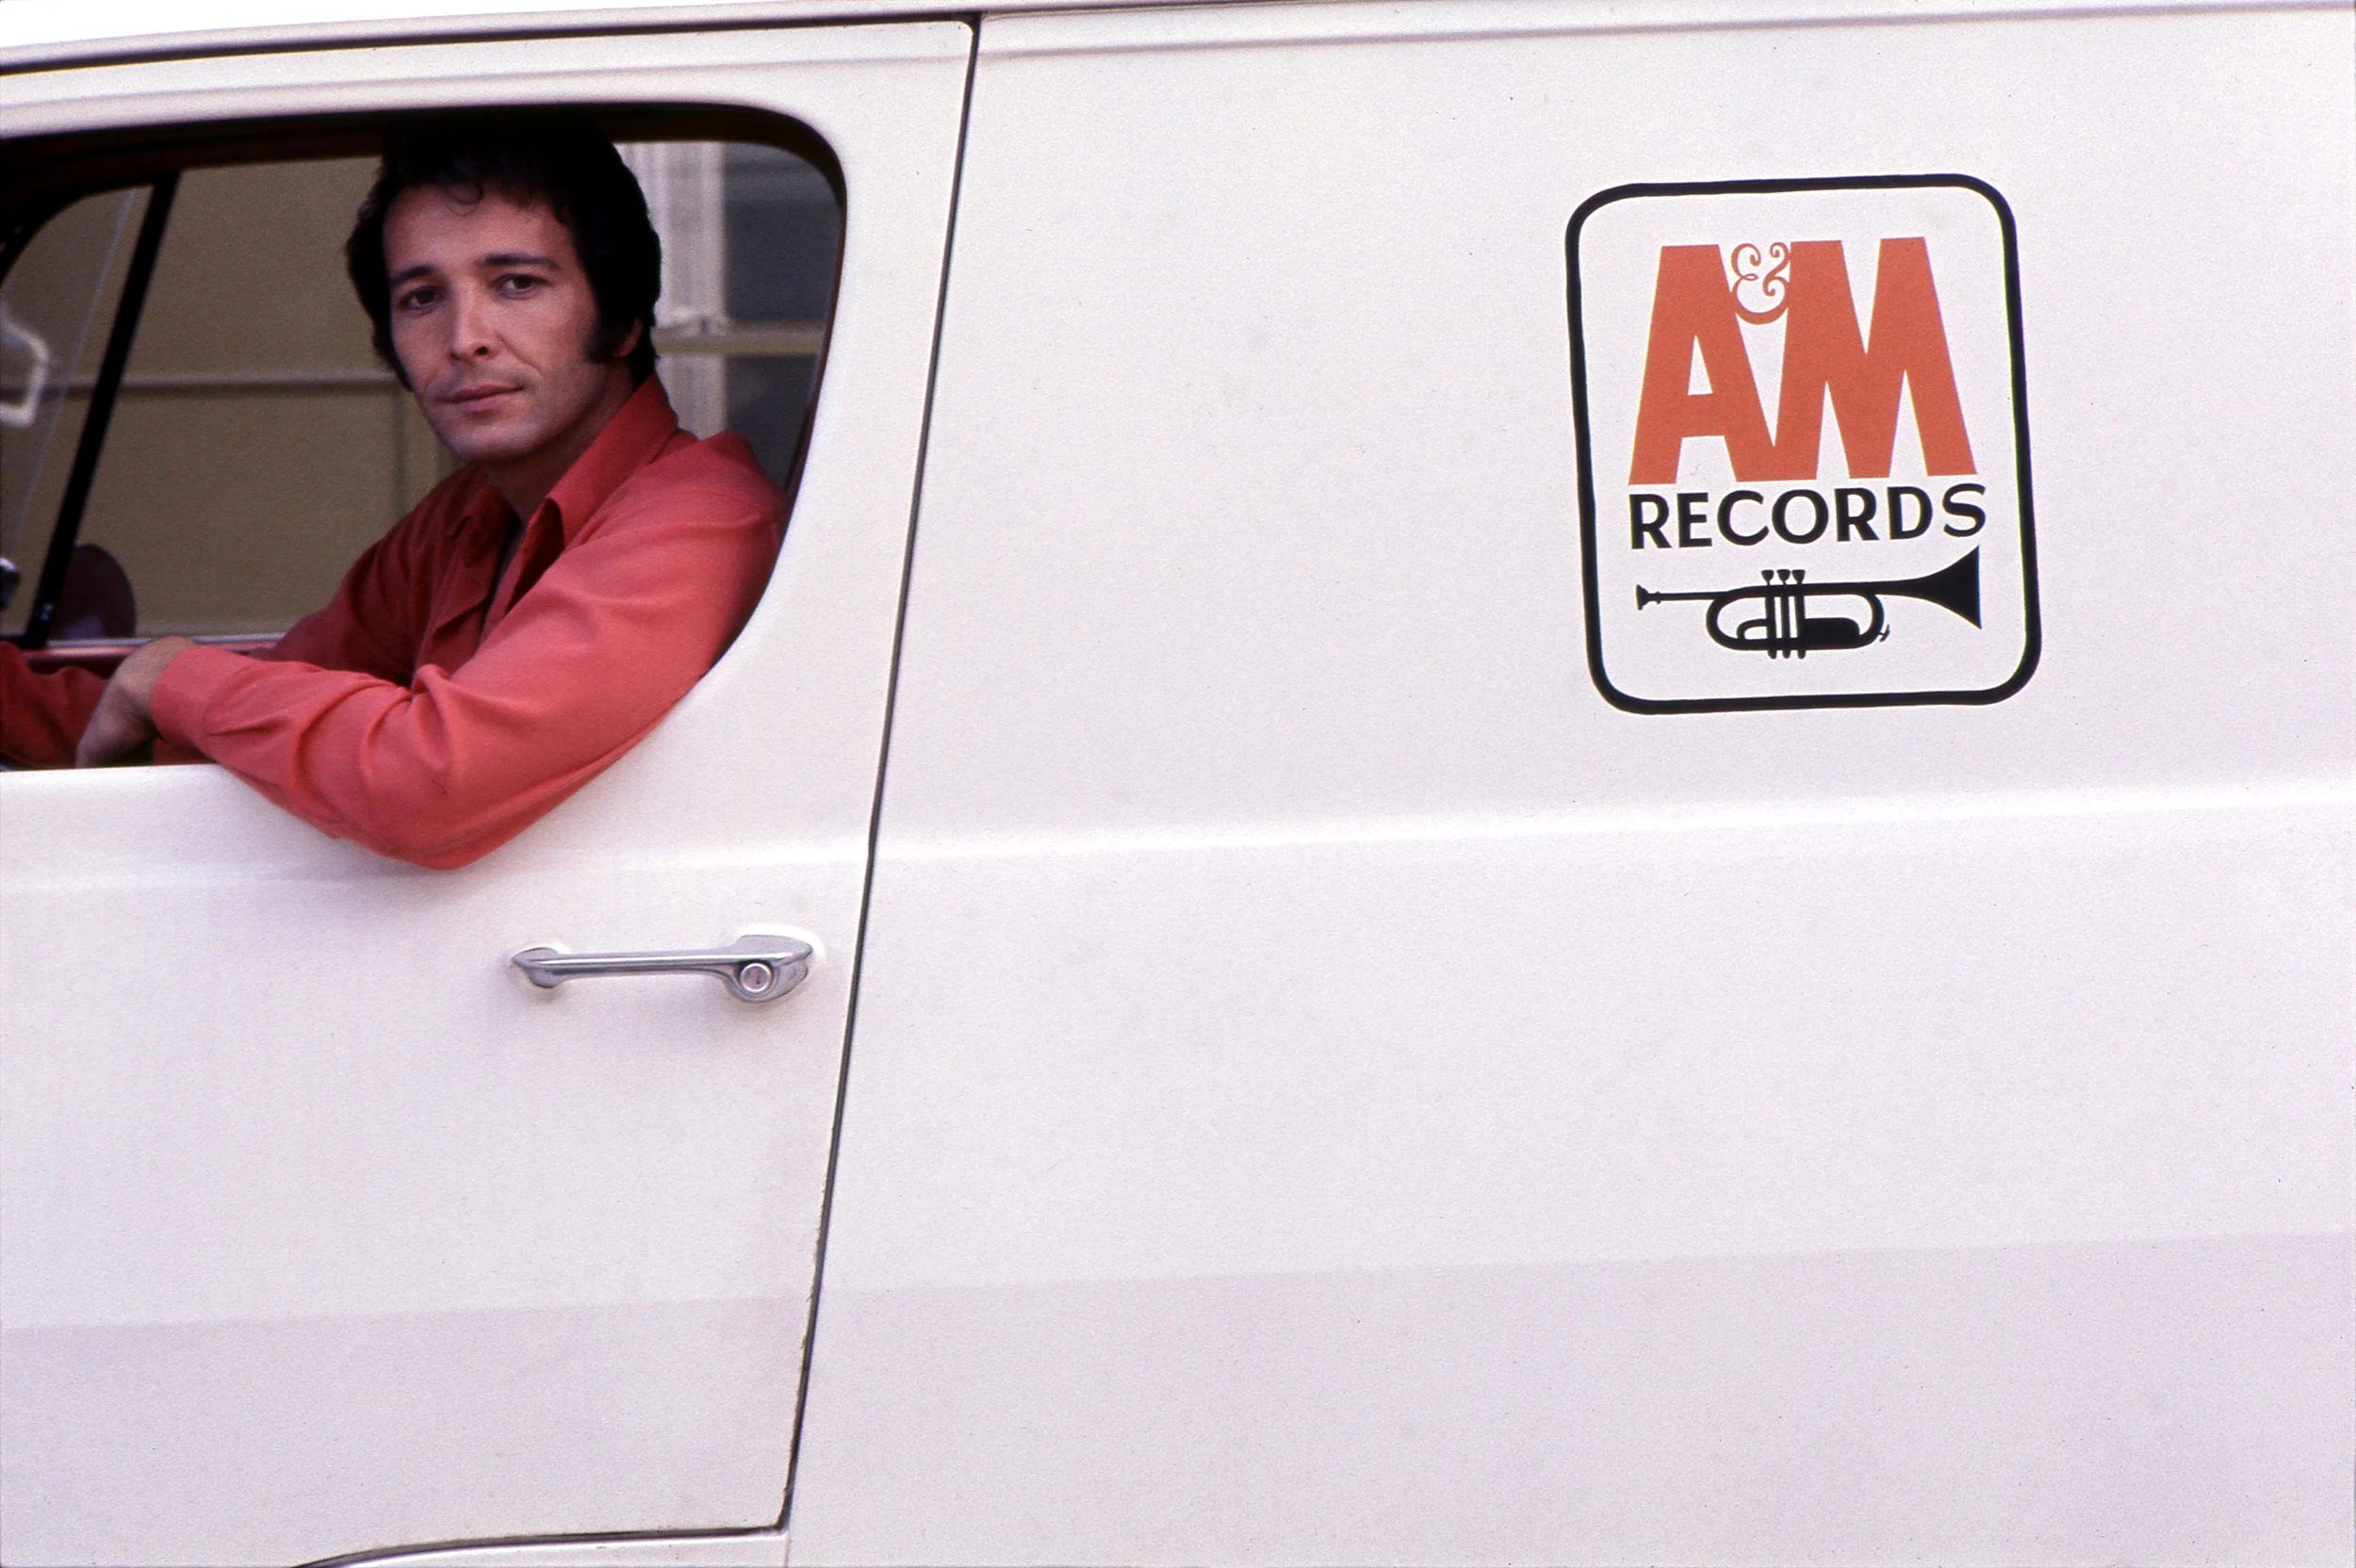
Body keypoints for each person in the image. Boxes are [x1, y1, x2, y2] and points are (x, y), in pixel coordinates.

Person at [0, 116, 785, 868]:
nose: (463, 337)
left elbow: (433, 782)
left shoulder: (699, 520)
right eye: (421, 298)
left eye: (515, 283)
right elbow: (249, 715)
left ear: (620, 323)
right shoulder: (466, 520)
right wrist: (140, 688)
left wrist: (170, 675)